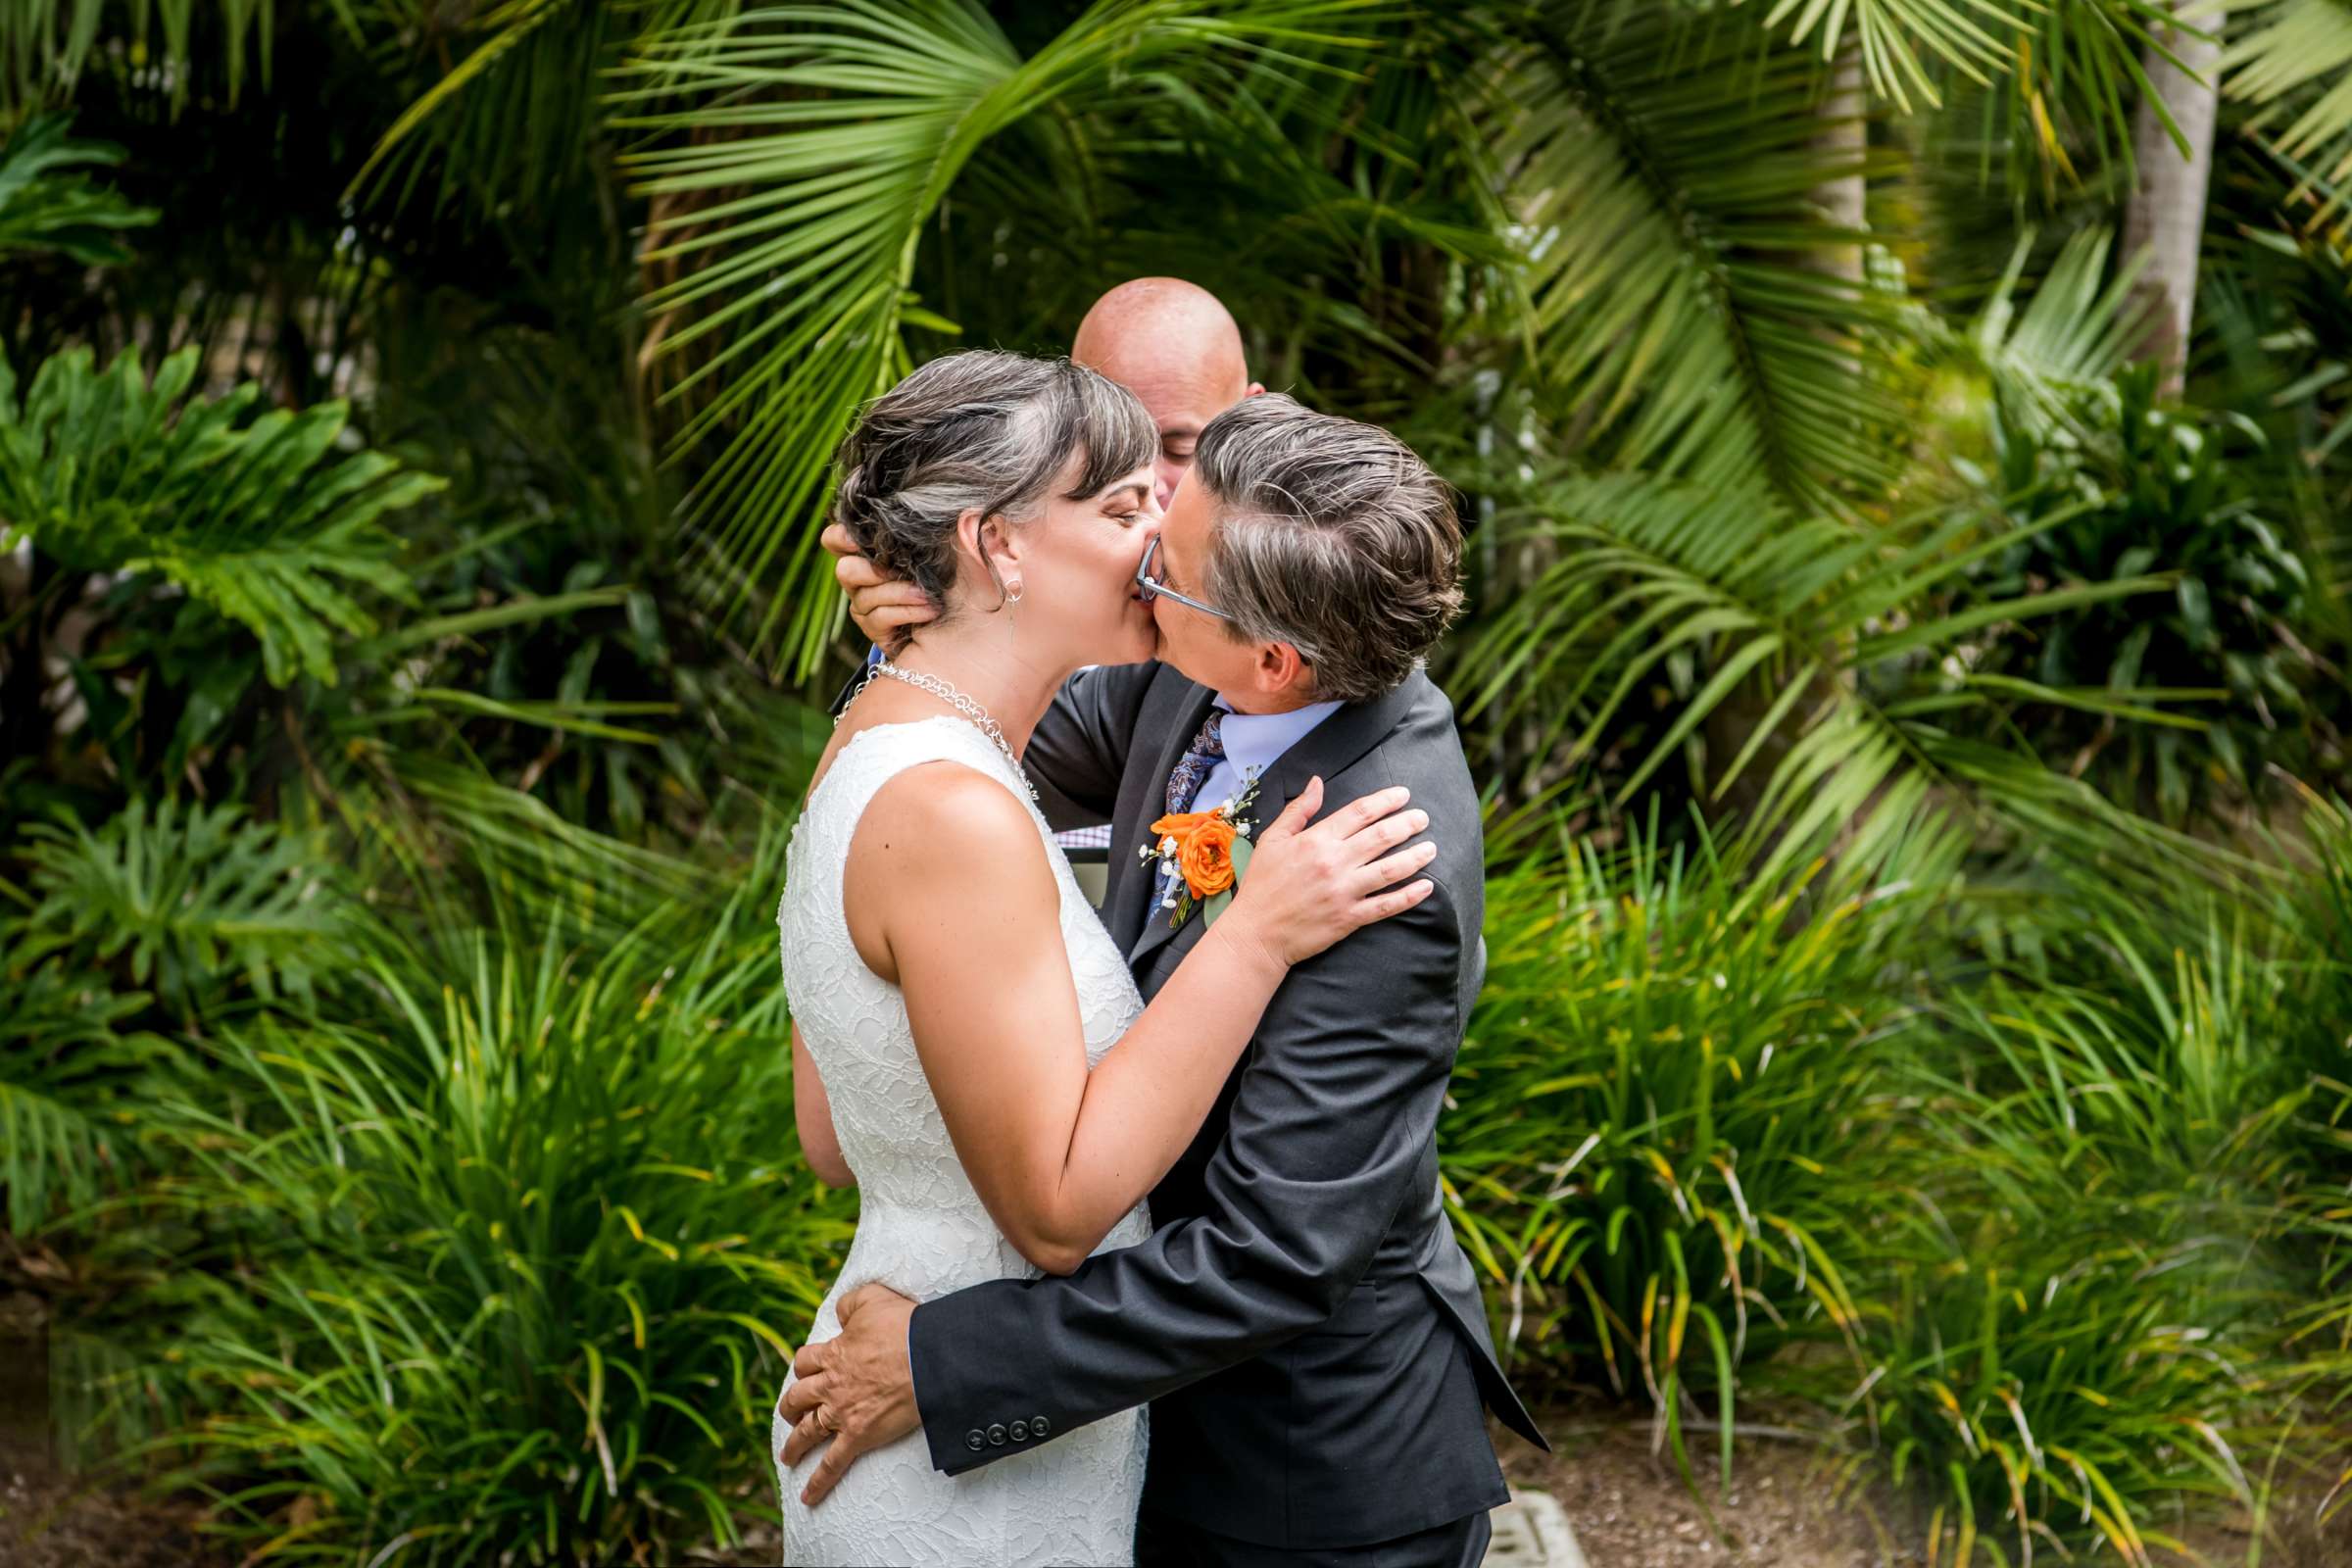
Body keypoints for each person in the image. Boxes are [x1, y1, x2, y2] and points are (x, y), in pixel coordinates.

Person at [782, 387, 1546, 1568]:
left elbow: (1273, 1253)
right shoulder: (1197, 664)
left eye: (1166, 560)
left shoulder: (1387, 868)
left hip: (1300, 1486)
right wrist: (927, 621)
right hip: (1132, 1429)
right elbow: (956, 731)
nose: (1144, 560)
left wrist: (944, 1364)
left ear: (1276, 658)